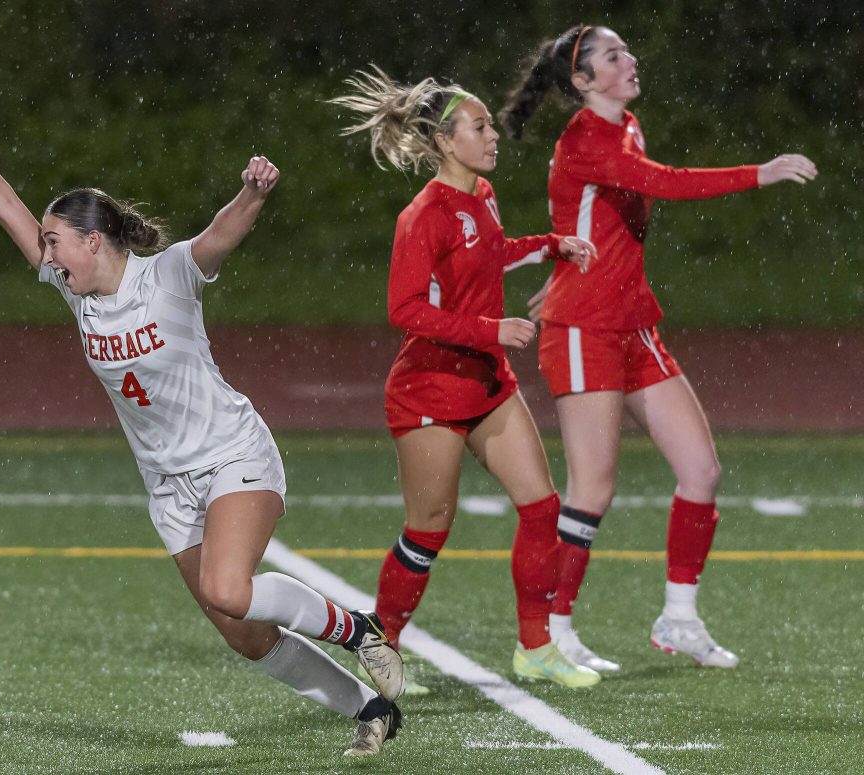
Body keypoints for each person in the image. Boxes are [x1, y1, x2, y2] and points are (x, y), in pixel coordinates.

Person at [0, 87, 406, 757]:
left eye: (56, 243)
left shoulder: (168, 275)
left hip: (233, 454)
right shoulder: (71, 289)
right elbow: (1, 201)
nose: (46, 255)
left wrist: (252, 194)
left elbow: (217, 237)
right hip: (170, 488)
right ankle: (370, 706)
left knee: (227, 588)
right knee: (240, 629)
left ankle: (356, 626)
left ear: (94, 240)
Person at [498, 26, 818, 672]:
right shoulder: (587, 138)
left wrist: (565, 274)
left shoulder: (626, 126)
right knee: (593, 486)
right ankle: (552, 630)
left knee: (700, 469)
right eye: (613, 56)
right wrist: (762, 172)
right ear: (583, 81)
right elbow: (666, 184)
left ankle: (678, 616)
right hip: (586, 330)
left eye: (626, 50)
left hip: (633, 324)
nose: (630, 60)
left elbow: (591, 227)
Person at [330, 67, 602, 692]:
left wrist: (556, 245)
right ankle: (382, 651)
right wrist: (491, 328)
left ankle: (535, 646)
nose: (493, 135)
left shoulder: (480, 193)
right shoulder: (421, 215)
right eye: (479, 127)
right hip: (428, 390)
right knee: (428, 530)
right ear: (447, 142)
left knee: (542, 507)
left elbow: (494, 250)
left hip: (486, 382)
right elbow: (405, 311)